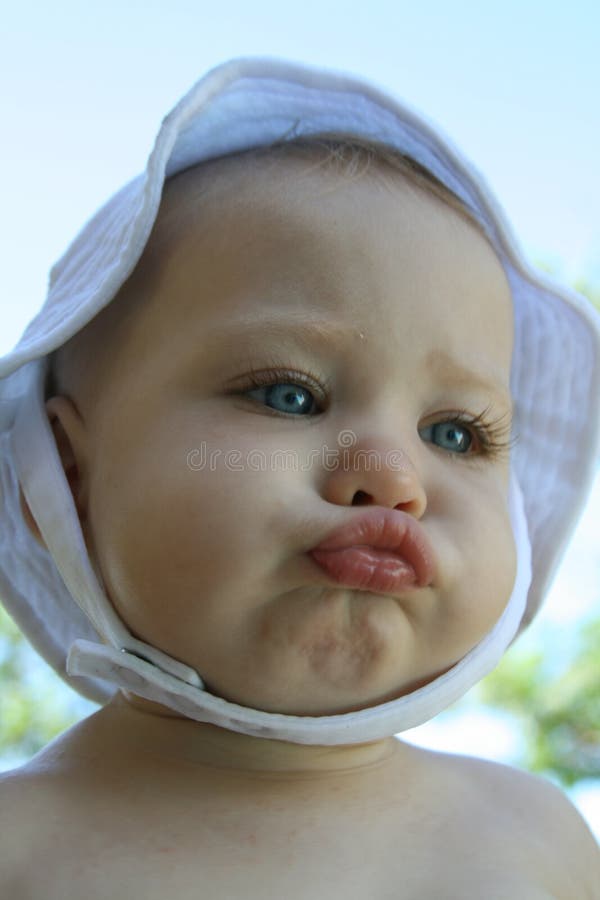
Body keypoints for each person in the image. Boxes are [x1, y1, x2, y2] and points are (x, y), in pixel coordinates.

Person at [0, 58, 598, 898]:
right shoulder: (21, 848)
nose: (393, 478)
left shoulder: (542, 841)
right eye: (290, 395)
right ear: (62, 478)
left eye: (455, 432)